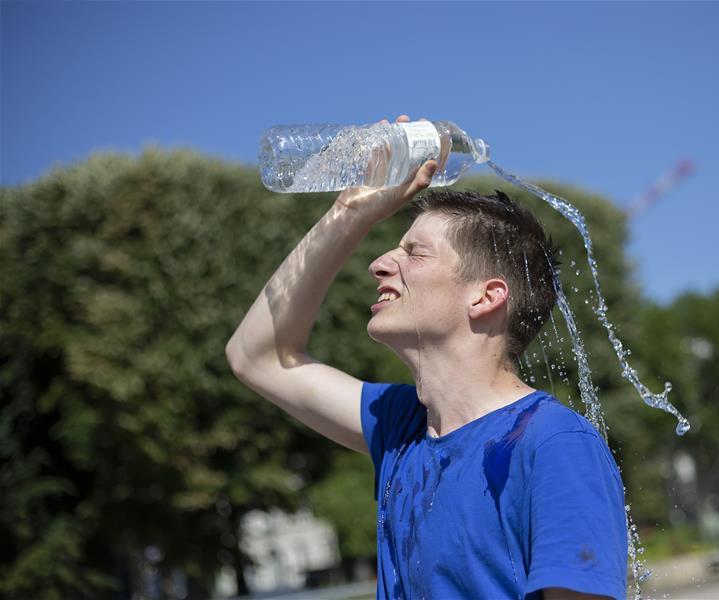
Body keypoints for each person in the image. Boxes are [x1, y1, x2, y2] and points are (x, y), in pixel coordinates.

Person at [226, 114, 627, 600]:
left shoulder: (554, 443)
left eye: (414, 253)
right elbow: (257, 357)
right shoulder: (402, 427)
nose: (378, 264)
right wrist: (351, 211)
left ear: (486, 297)